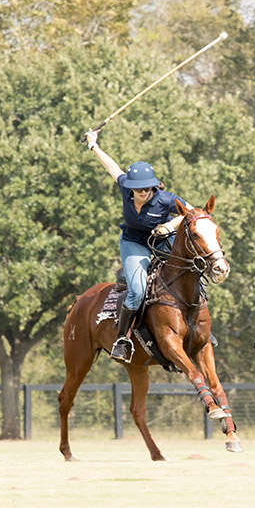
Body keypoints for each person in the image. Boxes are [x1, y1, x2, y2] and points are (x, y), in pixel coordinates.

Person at [84, 129, 190, 363]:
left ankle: (201, 328)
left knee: (190, 273)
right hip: (134, 243)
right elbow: (112, 167)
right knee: (137, 291)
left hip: (161, 241)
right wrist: (93, 145)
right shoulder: (125, 187)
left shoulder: (165, 199)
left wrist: (170, 226)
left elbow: (193, 213)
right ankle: (122, 339)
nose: (144, 192)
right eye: (139, 189)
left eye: (148, 188)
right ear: (131, 187)